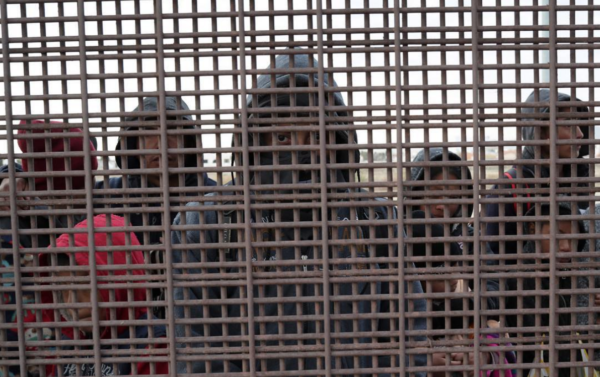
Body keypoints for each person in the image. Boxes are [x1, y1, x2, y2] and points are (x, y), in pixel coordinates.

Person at [171, 52, 427, 376]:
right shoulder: (205, 223)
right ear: (256, 137)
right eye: (282, 137)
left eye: (316, 136)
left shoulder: (376, 220)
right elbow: (196, 353)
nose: (301, 154)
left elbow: (407, 343)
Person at [44, 214, 168, 376]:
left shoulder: (153, 345)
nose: (71, 301)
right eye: (63, 289)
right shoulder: (70, 345)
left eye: (86, 286)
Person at [94, 96, 216, 246]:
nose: (161, 144)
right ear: (134, 144)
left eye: (173, 131)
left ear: (189, 142)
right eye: (148, 132)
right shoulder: (104, 196)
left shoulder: (214, 199)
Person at [484, 89, 590, 260]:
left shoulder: (581, 180)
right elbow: (496, 264)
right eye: (568, 125)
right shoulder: (511, 187)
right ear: (540, 133)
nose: (580, 134)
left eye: (579, 125)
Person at [504, 202, 599, 377]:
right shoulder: (512, 282)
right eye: (557, 235)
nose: (566, 247)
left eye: (573, 238)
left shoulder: (583, 280)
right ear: (532, 229)